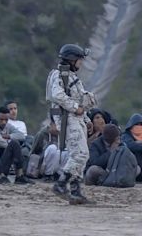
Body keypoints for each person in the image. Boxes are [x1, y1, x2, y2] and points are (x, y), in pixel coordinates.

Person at [46, 43, 97, 204]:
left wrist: (87, 119)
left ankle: (76, 190)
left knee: (82, 154)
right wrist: (76, 108)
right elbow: (57, 95)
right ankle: (61, 183)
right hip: (68, 119)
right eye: (79, 60)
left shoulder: (70, 76)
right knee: (79, 154)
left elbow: (79, 99)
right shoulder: (59, 75)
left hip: (76, 119)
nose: (81, 63)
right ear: (71, 60)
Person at [0, 107, 32, 184]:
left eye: (6, 120)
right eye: (1, 119)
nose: (4, 122)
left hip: (2, 161)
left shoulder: (7, 126)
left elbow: (21, 136)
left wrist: (9, 136)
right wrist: (10, 147)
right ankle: (1, 176)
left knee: (15, 143)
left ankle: (19, 175)